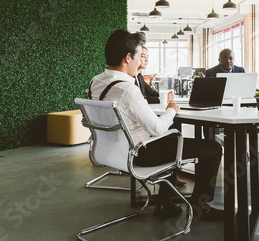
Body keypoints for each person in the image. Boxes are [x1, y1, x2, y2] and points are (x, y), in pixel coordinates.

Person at [89, 29, 223, 221]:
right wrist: (171, 110)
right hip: (141, 153)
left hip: (113, 150)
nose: (140, 61)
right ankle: (200, 206)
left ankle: (164, 203)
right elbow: (159, 129)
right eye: (138, 56)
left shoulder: (96, 82)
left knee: (169, 142)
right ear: (128, 58)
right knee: (212, 148)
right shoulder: (127, 89)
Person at [135, 45, 186, 186]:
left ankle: (172, 174)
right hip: (140, 137)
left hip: (140, 128)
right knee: (172, 126)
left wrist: (164, 96)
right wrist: (166, 105)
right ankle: (170, 173)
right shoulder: (129, 82)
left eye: (147, 57)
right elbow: (142, 99)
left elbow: (151, 94)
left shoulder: (138, 76)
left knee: (173, 124)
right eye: (142, 56)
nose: (145, 59)